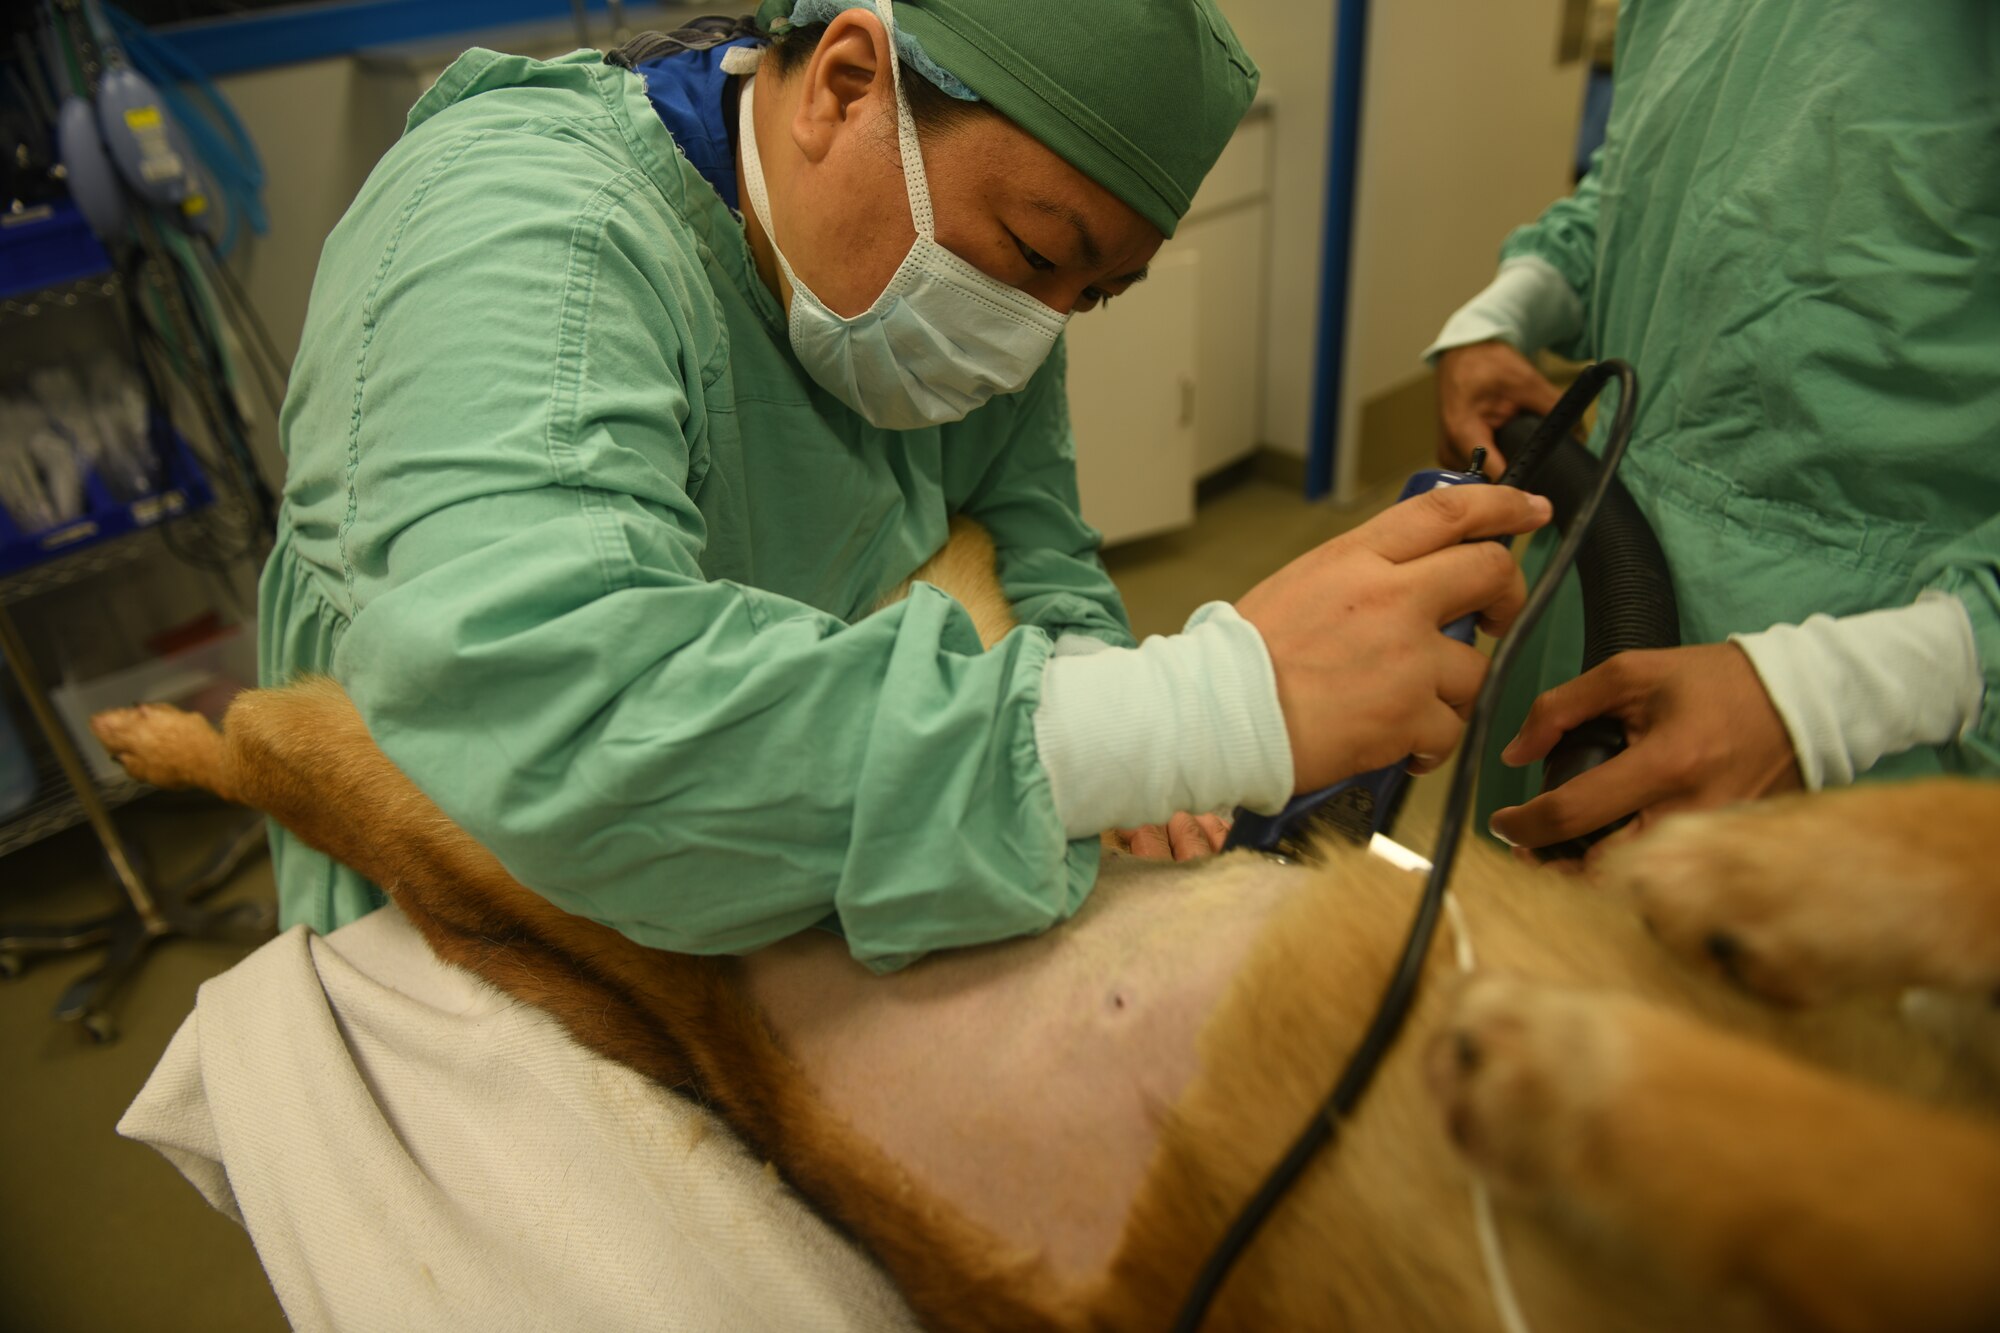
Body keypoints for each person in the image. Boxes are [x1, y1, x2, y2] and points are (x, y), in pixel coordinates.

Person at [262, 0, 1546, 971]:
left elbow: (1038, 553)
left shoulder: (965, 298)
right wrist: (1184, 712)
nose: (1033, 328)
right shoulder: (525, 232)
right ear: (844, 83)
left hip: (786, 834)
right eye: (1038, 252)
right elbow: (574, 721)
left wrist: (1135, 769)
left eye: (1087, 294)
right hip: (483, 888)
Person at [1428, 0, 2000, 856]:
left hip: (1858, 715)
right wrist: (1498, 317)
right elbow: (1640, 190)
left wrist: (1822, 699)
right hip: (1588, 594)